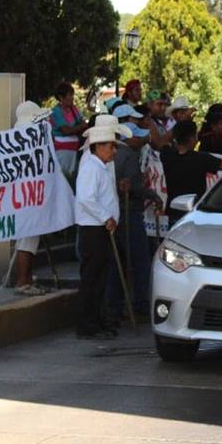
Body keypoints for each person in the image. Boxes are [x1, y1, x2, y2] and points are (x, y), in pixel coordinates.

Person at [74, 116, 131, 339]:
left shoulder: (103, 165)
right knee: (92, 278)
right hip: (94, 228)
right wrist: (106, 216)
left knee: (101, 278)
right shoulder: (90, 166)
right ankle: (87, 324)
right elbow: (86, 199)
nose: (114, 151)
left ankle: (98, 320)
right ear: (98, 146)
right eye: (110, 146)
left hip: (104, 226)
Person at [107, 110, 162, 321]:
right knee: (140, 261)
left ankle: (115, 306)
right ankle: (140, 303)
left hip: (114, 214)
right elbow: (135, 187)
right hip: (128, 212)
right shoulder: (126, 155)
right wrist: (152, 195)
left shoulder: (93, 155)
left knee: (116, 262)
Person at [12, 101, 57, 296]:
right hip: (25, 198)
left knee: (31, 241)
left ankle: (27, 279)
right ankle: (22, 282)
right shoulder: (24, 141)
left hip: (31, 196)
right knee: (27, 242)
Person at [162, 121, 222, 226]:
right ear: (192, 138)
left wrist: (178, 128)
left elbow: (164, 141)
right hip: (194, 214)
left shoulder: (167, 155)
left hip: (174, 213)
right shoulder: (202, 158)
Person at [50, 82, 87, 177]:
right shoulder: (55, 112)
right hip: (62, 151)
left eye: (72, 95)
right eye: (69, 95)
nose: (72, 98)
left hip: (74, 149)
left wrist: (78, 127)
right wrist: (81, 126)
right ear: (61, 97)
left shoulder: (74, 109)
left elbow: (81, 125)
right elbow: (66, 131)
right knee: (63, 176)